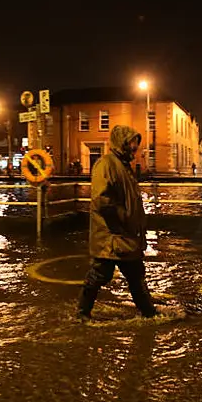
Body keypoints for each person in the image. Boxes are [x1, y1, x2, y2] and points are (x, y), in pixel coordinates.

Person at [76, 125, 158, 321]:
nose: (135, 146)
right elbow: (102, 201)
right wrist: (123, 222)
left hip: (124, 235)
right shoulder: (107, 165)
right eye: (132, 142)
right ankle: (82, 313)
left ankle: (148, 313)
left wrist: (137, 228)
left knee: (134, 275)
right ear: (122, 142)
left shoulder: (123, 166)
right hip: (113, 237)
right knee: (101, 274)